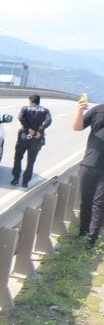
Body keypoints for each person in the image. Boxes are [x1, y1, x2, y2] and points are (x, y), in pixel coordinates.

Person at [73, 95, 104, 246]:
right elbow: (77, 127)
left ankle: (92, 237)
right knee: (86, 201)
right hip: (89, 163)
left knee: (99, 203)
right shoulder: (97, 110)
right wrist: (79, 111)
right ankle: (83, 232)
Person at [11, 94, 52, 187]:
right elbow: (48, 120)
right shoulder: (45, 110)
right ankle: (25, 182)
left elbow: (20, 117)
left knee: (18, 157)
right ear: (38, 101)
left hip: (24, 135)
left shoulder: (25, 108)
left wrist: (28, 128)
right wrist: (40, 130)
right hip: (36, 138)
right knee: (31, 160)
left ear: (30, 100)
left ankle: (15, 179)